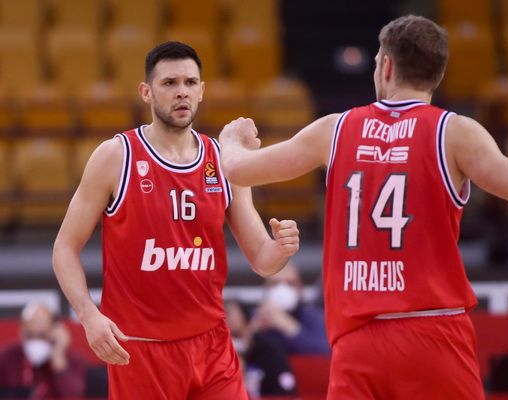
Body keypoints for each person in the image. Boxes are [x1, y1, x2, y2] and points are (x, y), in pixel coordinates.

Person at [218, 14, 508, 399]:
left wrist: (233, 140)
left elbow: (238, 170)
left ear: (386, 66)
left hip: (357, 342)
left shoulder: (335, 129)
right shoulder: (455, 133)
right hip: (434, 335)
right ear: (437, 74)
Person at [51, 41, 300, 400]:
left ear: (201, 91)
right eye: (169, 83)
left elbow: (262, 259)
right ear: (146, 92)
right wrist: (88, 314)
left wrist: (281, 249)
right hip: (142, 348)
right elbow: (64, 247)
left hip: (213, 345)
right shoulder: (116, 156)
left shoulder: (224, 160)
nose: (181, 91)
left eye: (189, 82)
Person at [0, 302, 87, 399]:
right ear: (22, 330)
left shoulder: (73, 359)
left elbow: (74, 394)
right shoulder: (7, 357)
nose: (37, 343)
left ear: (55, 331)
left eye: (42, 336)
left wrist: (59, 359)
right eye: (31, 336)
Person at [250, 261, 330, 354]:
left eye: (290, 284)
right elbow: (241, 350)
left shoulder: (314, 316)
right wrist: (254, 330)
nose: (282, 289)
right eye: (275, 283)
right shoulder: (255, 315)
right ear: (265, 288)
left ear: (300, 289)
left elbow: (326, 350)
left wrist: (290, 327)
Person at [226, 300, 298, 398]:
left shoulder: (268, 346)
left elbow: (285, 390)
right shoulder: (222, 349)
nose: (223, 318)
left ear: (244, 317)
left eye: (228, 313)